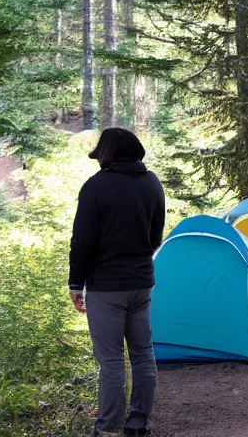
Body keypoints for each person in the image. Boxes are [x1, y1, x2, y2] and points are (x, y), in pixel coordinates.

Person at [69, 128, 165, 437]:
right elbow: (155, 236)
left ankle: (108, 430)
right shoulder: (152, 183)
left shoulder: (95, 187)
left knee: (111, 361)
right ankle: (137, 424)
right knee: (142, 354)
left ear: (107, 155)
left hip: (106, 288)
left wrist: (75, 283)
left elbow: (81, 242)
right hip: (142, 282)